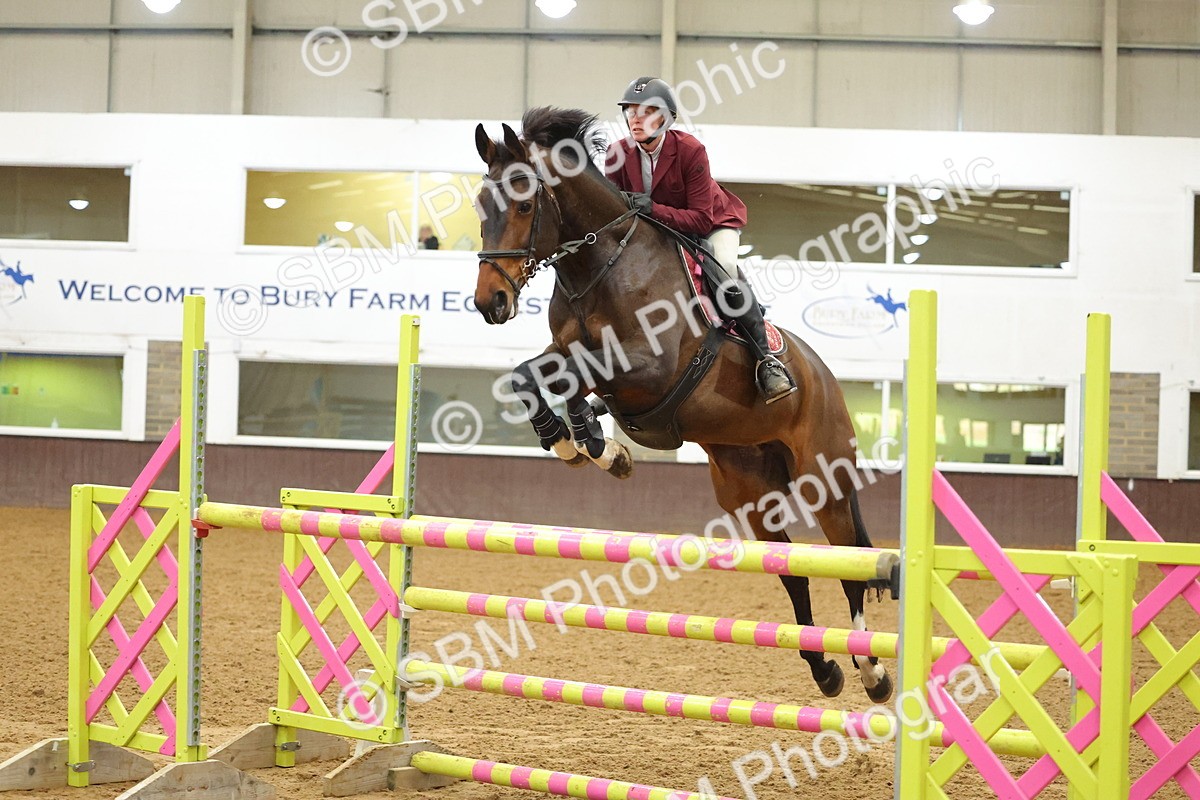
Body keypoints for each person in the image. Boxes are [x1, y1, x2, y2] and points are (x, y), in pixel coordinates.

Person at [604, 76, 795, 404]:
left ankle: (766, 360)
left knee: (726, 273)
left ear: (665, 118)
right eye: (631, 111)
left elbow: (700, 218)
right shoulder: (617, 154)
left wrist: (654, 208)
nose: (635, 118)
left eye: (646, 111)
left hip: (711, 225)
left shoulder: (690, 150)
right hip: (657, 231)